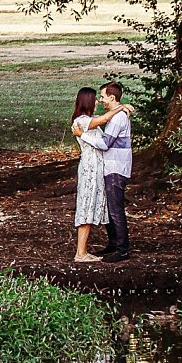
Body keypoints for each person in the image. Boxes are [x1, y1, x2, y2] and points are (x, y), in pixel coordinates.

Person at [70, 88, 109, 262]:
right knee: (86, 205)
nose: (99, 102)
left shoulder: (88, 122)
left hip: (95, 168)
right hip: (89, 169)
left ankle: (83, 251)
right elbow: (105, 118)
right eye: (96, 99)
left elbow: (102, 143)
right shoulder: (82, 120)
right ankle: (80, 253)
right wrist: (121, 108)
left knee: (92, 204)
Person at [97, 82, 134, 263]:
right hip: (112, 166)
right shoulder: (117, 115)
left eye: (103, 96)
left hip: (116, 168)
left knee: (115, 209)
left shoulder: (118, 118)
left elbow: (105, 143)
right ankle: (113, 243)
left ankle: (122, 249)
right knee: (110, 208)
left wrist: (83, 135)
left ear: (112, 98)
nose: (101, 100)